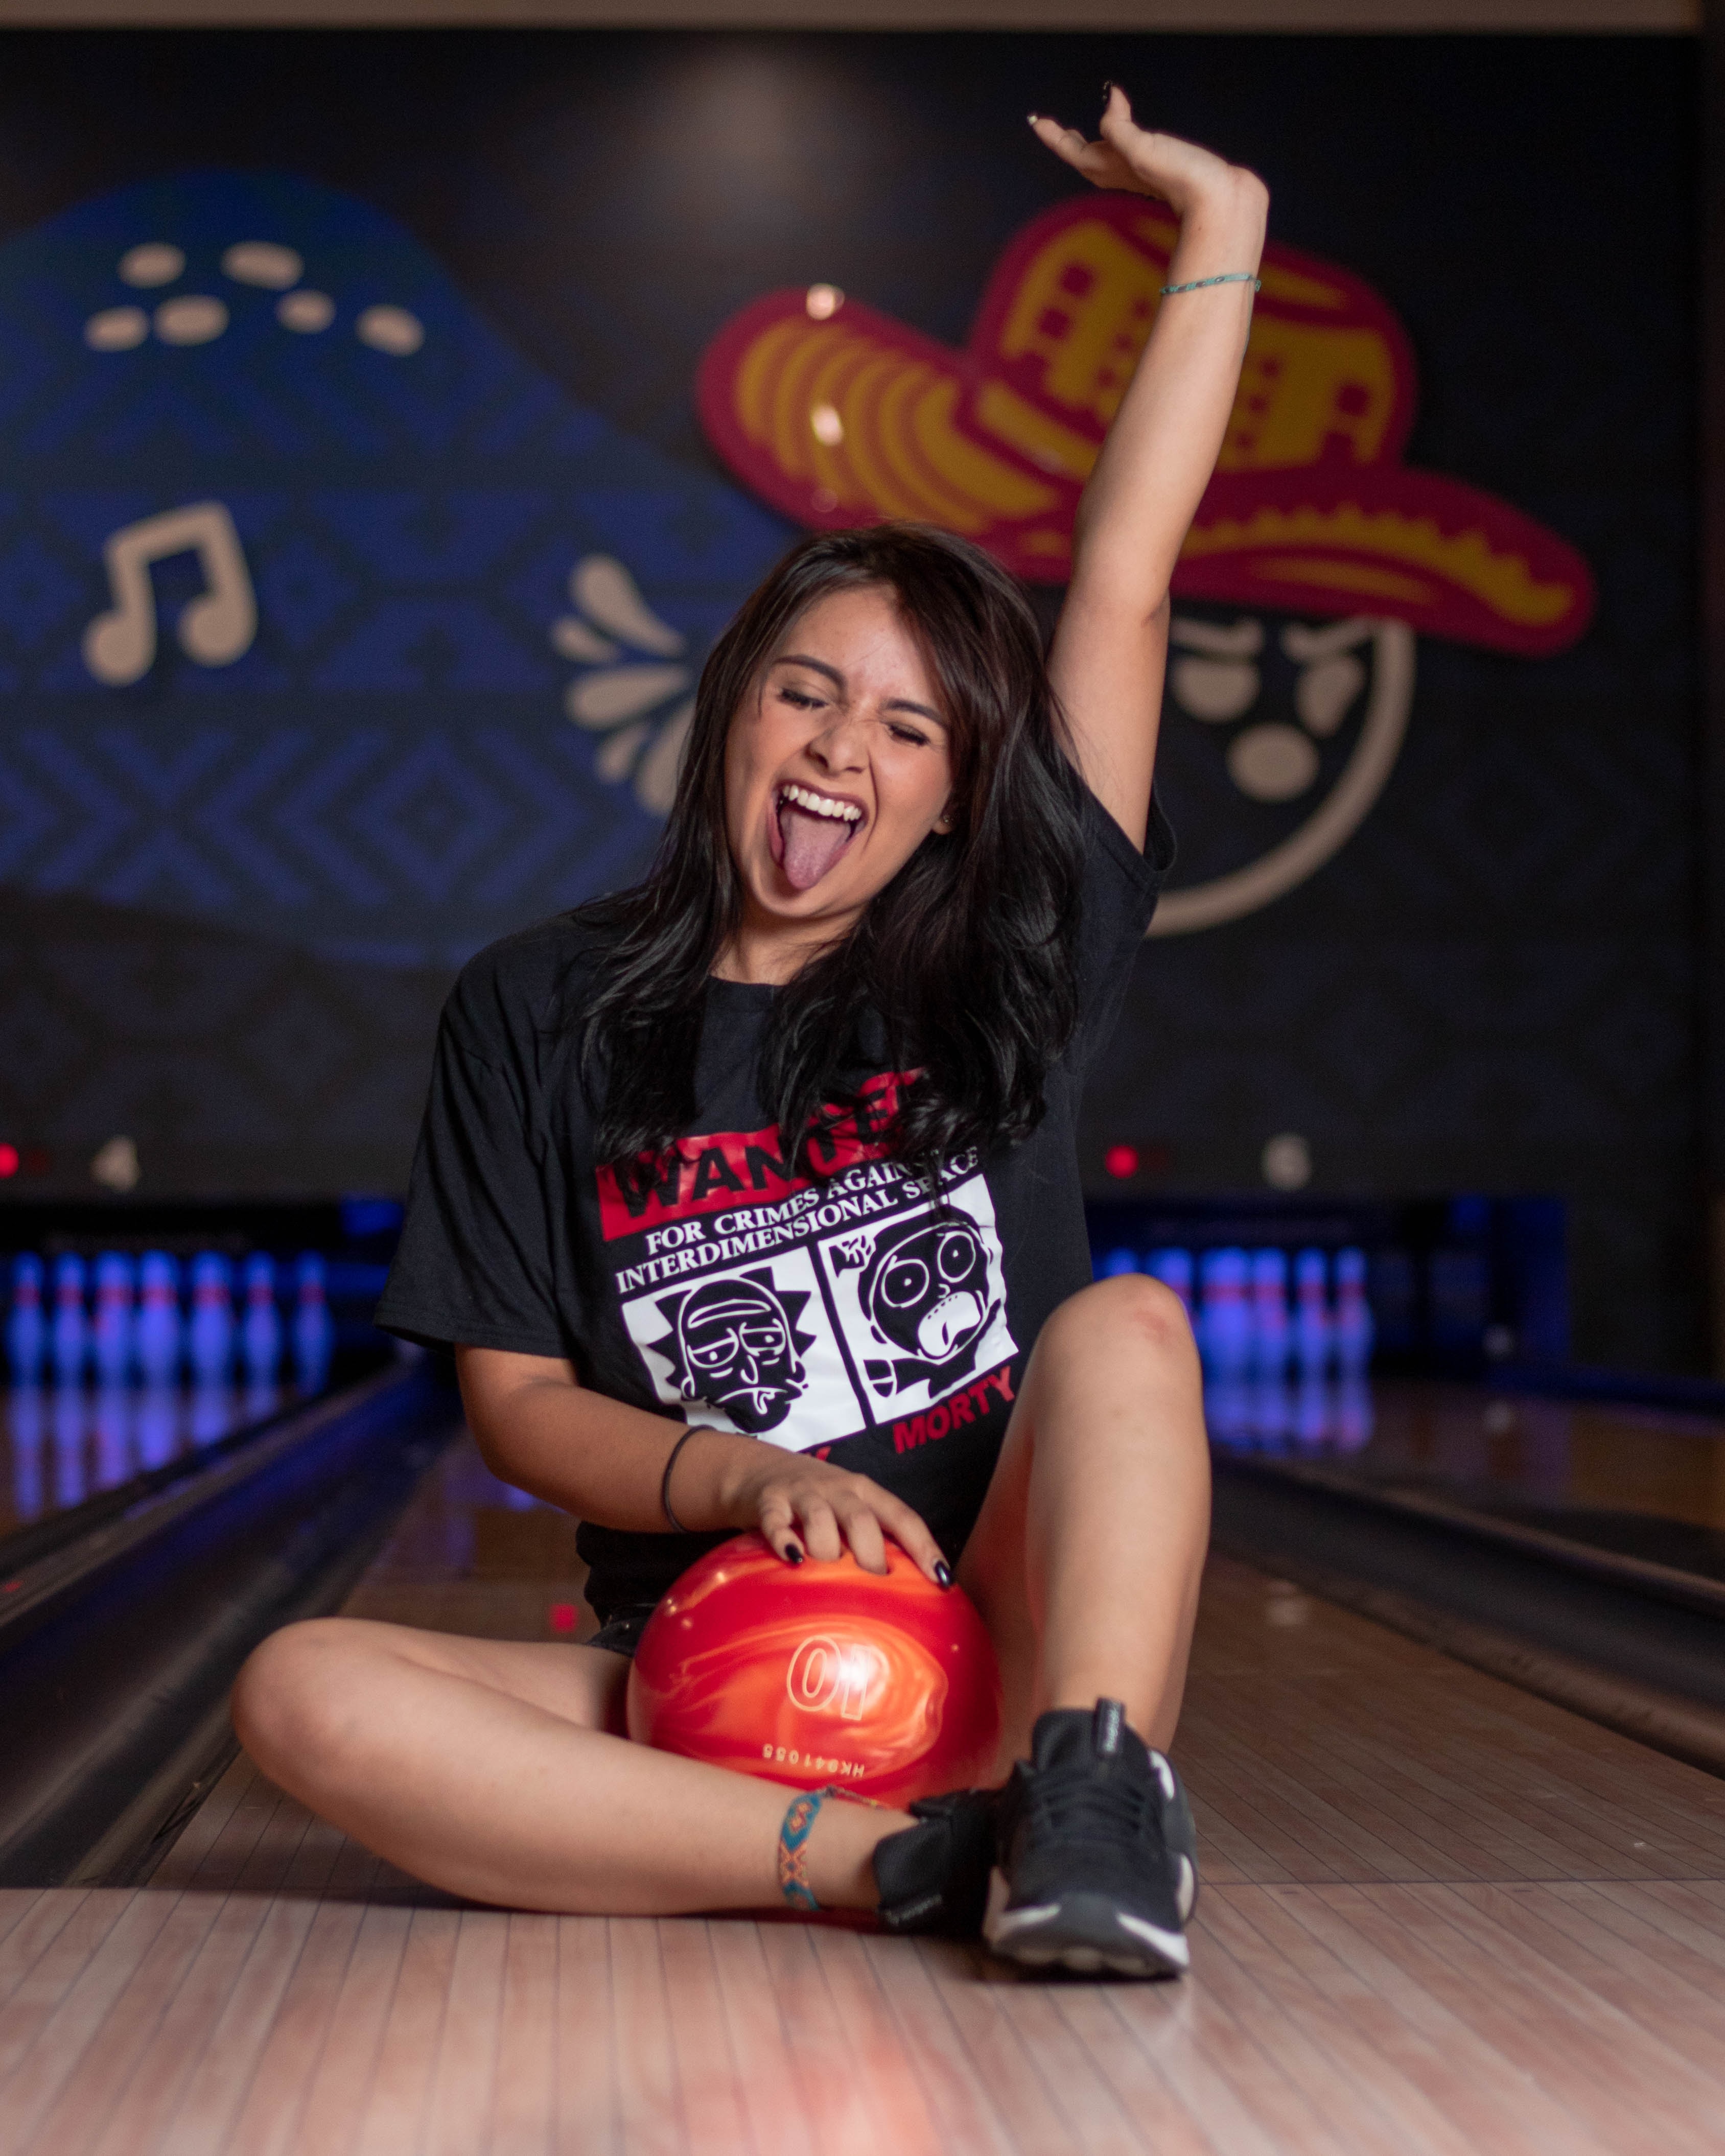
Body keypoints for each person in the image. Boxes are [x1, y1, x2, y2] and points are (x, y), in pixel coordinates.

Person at [232, 88, 1268, 1979]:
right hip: (716, 1676)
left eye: (904, 730)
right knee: (305, 1689)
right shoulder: (534, 1006)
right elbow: (521, 1404)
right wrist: (736, 1474)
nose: (836, 753)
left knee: (1126, 1324)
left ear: (959, 794)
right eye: (805, 694)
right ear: (729, 713)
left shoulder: (1006, 967)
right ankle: (906, 1866)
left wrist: (1227, 218)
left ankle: (1094, 1786)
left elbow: (1126, 572)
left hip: (1001, 1637)